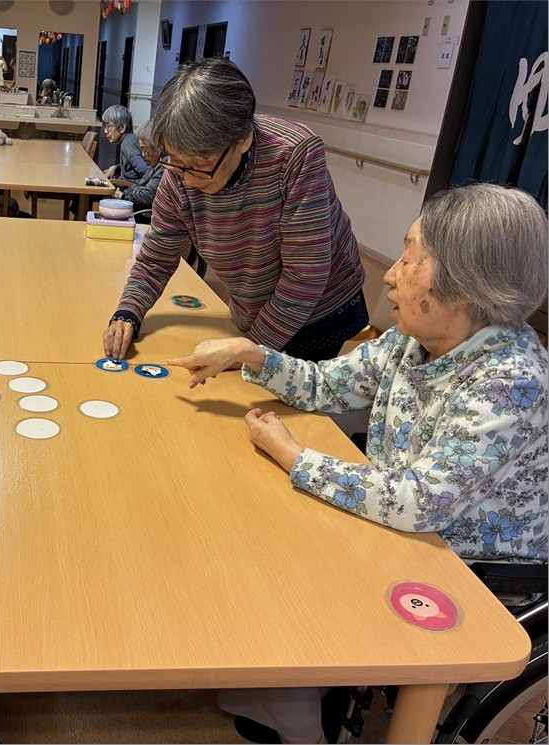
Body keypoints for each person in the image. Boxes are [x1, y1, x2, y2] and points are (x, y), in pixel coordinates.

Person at [168, 183, 549, 744]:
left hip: (465, 560)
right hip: (402, 518)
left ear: (467, 287)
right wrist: (250, 353)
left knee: (286, 555)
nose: (390, 275)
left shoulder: (510, 380)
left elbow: (418, 502)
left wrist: (294, 456)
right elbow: (325, 384)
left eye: (411, 258)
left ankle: (296, 706)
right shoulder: (412, 340)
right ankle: (283, 693)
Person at [103, 58, 368, 364]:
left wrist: (247, 350)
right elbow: (155, 259)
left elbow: (304, 277)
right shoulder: (180, 172)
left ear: (243, 139)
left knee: (282, 391)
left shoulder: (295, 155)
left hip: (320, 313)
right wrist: (128, 311)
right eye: (176, 160)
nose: (187, 178)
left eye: (200, 165)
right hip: (254, 307)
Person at [113, 119, 163, 221]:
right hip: (136, 204)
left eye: (144, 149)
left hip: (144, 214)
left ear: (156, 146)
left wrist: (124, 196)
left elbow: (148, 195)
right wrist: (126, 194)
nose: (143, 154)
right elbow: (140, 183)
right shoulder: (155, 164)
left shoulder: (164, 166)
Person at [101, 104, 148, 181]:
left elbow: (144, 170)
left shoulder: (127, 143)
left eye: (109, 126)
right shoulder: (129, 139)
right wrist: (116, 168)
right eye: (105, 127)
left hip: (129, 187)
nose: (105, 131)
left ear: (122, 127)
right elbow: (131, 166)